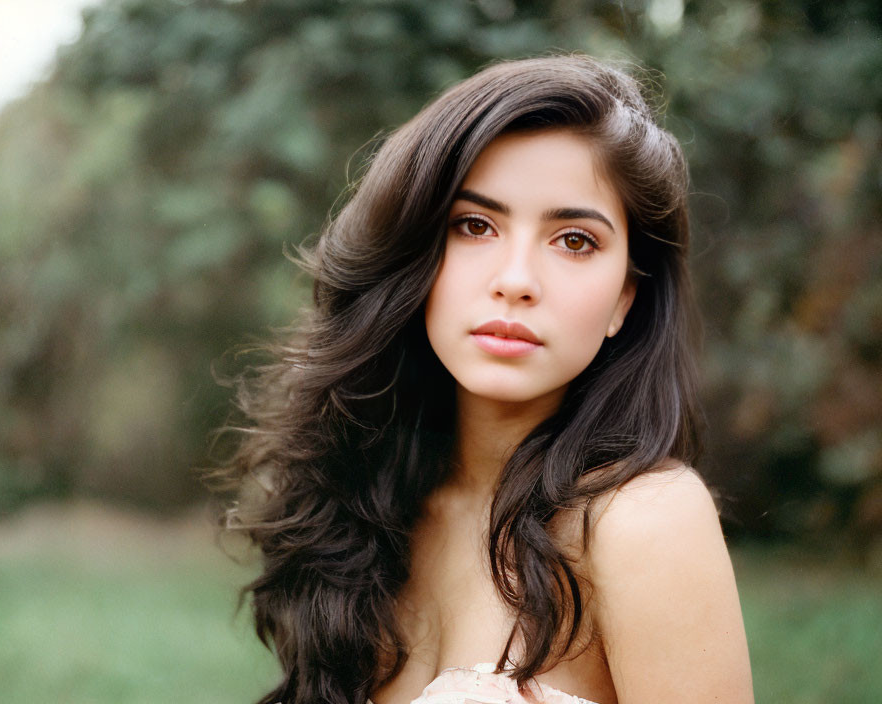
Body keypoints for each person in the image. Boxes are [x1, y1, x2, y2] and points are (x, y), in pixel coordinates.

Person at [218, 54, 754, 704]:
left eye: (575, 240)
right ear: (413, 252)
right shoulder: (364, 511)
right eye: (475, 226)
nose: (517, 280)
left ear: (625, 300)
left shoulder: (643, 522)